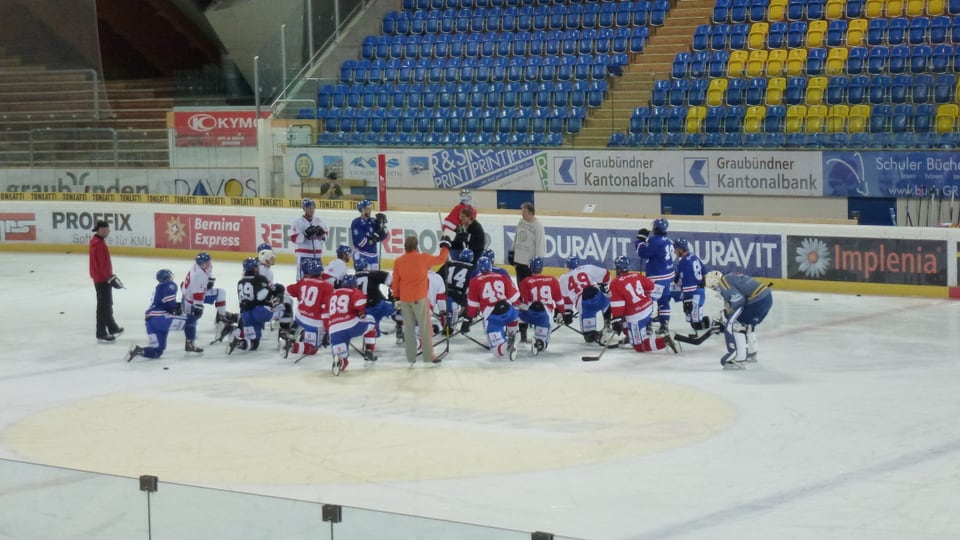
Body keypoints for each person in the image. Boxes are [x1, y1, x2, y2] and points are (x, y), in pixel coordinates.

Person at [392, 234, 451, 364]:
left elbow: (395, 281)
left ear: (405, 247)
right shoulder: (422, 258)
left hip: (404, 300)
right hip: (419, 298)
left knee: (409, 329)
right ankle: (429, 356)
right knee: (425, 328)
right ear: (416, 246)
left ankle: (411, 358)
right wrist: (445, 246)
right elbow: (441, 259)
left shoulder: (399, 261)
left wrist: (396, 297)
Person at [609, 256, 679, 354]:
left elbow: (618, 305)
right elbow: (651, 287)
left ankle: (664, 341)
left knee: (638, 347)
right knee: (624, 317)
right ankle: (632, 335)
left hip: (636, 316)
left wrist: (616, 319)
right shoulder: (637, 276)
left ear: (617, 268)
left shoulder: (615, 283)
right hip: (649, 308)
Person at [705, 270, 773, 370]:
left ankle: (738, 359)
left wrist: (724, 315)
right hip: (766, 297)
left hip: (757, 300)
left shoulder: (723, 282)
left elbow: (738, 301)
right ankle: (751, 351)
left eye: (713, 287)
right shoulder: (730, 277)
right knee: (747, 324)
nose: (715, 289)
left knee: (737, 325)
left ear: (714, 281)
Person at [126, 269, 199, 361]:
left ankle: (139, 350)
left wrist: (175, 307)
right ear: (168, 276)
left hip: (150, 321)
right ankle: (190, 344)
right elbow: (169, 302)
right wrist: (175, 308)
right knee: (191, 319)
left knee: (157, 351)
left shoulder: (159, 287)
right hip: (160, 318)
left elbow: (164, 301)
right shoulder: (169, 284)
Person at [461, 257, 521, 360]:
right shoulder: (502, 276)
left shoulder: (475, 281)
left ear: (479, 268)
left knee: (496, 350)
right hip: (509, 311)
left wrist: (469, 318)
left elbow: (473, 305)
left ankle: (507, 345)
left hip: (493, 316)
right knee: (513, 316)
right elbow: (515, 298)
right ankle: (514, 333)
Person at [181, 252, 236, 349]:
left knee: (191, 320)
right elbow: (198, 294)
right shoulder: (198, 275)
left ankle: (221, 318)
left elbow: (209, 274)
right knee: (192, 319)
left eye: (209, 261)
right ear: (202, 264)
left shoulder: (203, 266)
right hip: (191, 298)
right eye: (207, 262)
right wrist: (199, 307)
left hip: (188, 294)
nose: (209, 263)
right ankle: (222, 318)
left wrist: (210, 280)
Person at [228, 258, 282, 354]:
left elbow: (242, 302)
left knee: (253, 344)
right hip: (259, 312)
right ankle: (285, 335)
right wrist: (273, 292)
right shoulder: (260, 278)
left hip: (246, 316)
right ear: (255, 268)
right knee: (283, 309)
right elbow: (261, 296)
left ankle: (238, 341)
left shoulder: (240, 282)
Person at [283, 258, 334, 359]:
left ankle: (294, 332)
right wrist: (328, 330)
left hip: (299, 318)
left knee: (299, 314)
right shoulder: (327, 286)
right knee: (312, 349)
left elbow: (288, 290)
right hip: (314, 323)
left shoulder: (303, 281)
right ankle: (293, 347)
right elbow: (326, 311)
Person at [510, 202, 546, 344]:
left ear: (531, 213)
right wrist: (511, 251)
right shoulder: (521, 222)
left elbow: (540, 245)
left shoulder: (538, 226)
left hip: (529, 264)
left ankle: (533, 316)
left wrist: (538, 262)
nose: (522, 214)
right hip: (519, 262)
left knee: (531, 293)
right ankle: (524, 322)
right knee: (522, 292)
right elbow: (516, 237)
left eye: (524, 212)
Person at [326, 274, 378, 372]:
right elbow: (360, 303)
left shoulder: (333, 294)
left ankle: (341, 361)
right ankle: (369, 350)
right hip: (351, 325)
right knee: (371, 321)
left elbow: (326, 312)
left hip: (334, 330)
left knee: (341, 355)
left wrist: (327, 330)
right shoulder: (355, 291)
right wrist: (361, 313)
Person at [635, 218, 675, 335]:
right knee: (664, 301)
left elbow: (642, 252)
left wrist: (640, 239)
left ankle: (648, 326)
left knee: (649, 301)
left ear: (655, 228)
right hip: (668, 276)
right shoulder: (668, 241)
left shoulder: (655, 241)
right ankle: (664, 325)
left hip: (656, 278)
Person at [558, 255, 611, 344]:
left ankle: (597, 336)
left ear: (567, 266)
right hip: (597, 297)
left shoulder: (563, 279)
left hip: (584, 305)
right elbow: (606, 275)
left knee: (589, 337)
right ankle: (608, 325)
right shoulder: (588, 268)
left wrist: (567, 313)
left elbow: (566, 300)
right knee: (609, 302)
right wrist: (603, 285)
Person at [517, 257, 563, 354]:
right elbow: (559, 300)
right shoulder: (553, 280)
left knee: (514, 314)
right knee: (542, 343)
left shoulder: (525, 281)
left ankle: (514, 335)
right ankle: (539, 342)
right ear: (542, 267)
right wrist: (562, 312)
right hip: (545, 315)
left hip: (529, 313)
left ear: (530, 267)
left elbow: (523, 301)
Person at [89, 220, 123, 343]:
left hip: (102, 278)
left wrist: (109, 276)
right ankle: (101, 333)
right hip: (102, 279)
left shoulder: (97, 242)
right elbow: (100, 265)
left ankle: (112, 328)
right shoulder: (98, 244)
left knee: (107, 304)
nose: (109, 231)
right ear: (101, 230)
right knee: (103, 306)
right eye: (107, 229)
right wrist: (109, 277)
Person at [673, 238, 711, 336]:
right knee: (693, 319)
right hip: (699, 290)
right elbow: (704, 271)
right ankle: (707, 322)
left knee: (694, 321)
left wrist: (687, 299)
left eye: (676, 249)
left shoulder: (683, 263)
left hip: (693, 293)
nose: (674, 251)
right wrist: (702, 285)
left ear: (681, 249)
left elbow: (683, 282)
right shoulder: (694, 257)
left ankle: (713, 324)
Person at [353, 258, 395, 338]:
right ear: (366, 266)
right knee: (398, 306)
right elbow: (390, 280)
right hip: (379, 307)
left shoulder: (351, 279)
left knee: (373, 332)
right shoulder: (372, 274)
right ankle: (400, 326)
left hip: (362, 312)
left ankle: (371, 332)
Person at [290, 198, 329, 279]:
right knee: (303, 280)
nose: (311, 210)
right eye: (309, 208)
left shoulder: (319, 221)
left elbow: (326, 235)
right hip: (304, 256)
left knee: (319, 280)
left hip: (317, 256)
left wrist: (321, 235)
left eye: (312, 208)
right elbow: (293, 238)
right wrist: (305, 235)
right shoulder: (297, 222)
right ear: (304, 209)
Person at [438, 248, 474, 328]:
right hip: (459, 296)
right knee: (472, 302)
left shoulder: (449, 263)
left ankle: (446, 316)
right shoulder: (473, 269)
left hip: (445, 293)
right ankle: (466, 319)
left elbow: (437, 277)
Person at [351, 200, 389, 270]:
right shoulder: (356, 223)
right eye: (367, 209)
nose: (369, 210)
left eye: (370, 208)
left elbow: (384, 235)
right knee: (364, 278)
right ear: (361, 210)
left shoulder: (373, 221)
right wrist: (373, 239)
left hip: (374, 256)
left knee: (374, 279)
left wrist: (382, 226)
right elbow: (360, 243)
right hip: (361, 255)